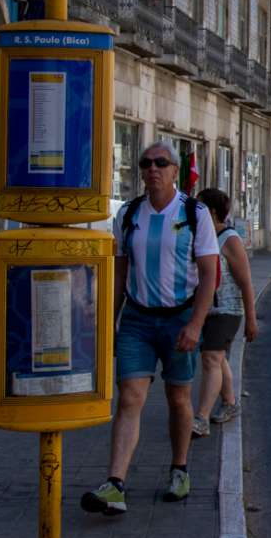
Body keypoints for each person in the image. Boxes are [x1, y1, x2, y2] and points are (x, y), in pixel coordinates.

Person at [81, 142, 219, 516]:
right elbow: (119, 272)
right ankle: (115, 484)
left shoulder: (194, 213)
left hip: (179, 319)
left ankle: (179, 469)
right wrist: (108, 322)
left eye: (161, 163)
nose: (152, 169)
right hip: (137, 320)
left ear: (175, 171)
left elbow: (209, 275)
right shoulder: (128, 214)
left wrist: (195, 324)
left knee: (178, 398)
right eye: (146, 163)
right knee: (129, 397)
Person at [192, 189, 258, 437]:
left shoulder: (230, 239)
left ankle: (201, 417)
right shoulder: (200, 236)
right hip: (204, 309)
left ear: (211, 212)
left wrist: (251, 319)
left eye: (198, 207)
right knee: (218, 359)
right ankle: (230, 403)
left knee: (211, 358)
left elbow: (246, 282)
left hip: (227, 309)